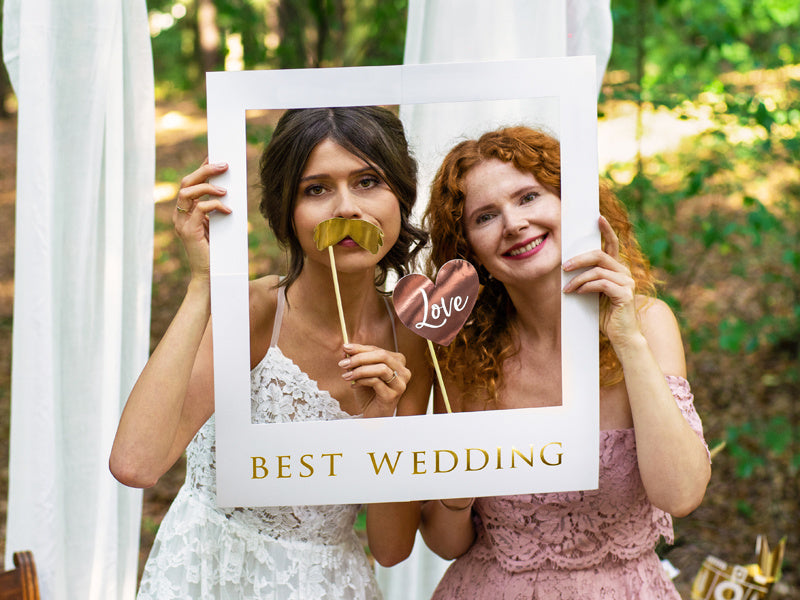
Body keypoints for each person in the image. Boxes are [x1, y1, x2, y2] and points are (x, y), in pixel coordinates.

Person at [109, 106, 431, 599]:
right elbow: (136, 465)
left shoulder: (412, 336)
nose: (347, 208)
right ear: (287, 211)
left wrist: (383, 423)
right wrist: (203, 286)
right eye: (316, 189)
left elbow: (390, 549)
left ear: (400, 196)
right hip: (212, 573)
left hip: (326, 583)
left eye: (368, 181)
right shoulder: (256, 312)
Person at [419, 126, 711, 599]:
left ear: (570, 202)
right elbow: (445, 542)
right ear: (467, 247)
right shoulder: (462, 358)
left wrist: (627, 340)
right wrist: (455, 487)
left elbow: (681, 494)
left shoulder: (648, 324)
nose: (513, 223)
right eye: (486, 216)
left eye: (529, 197)